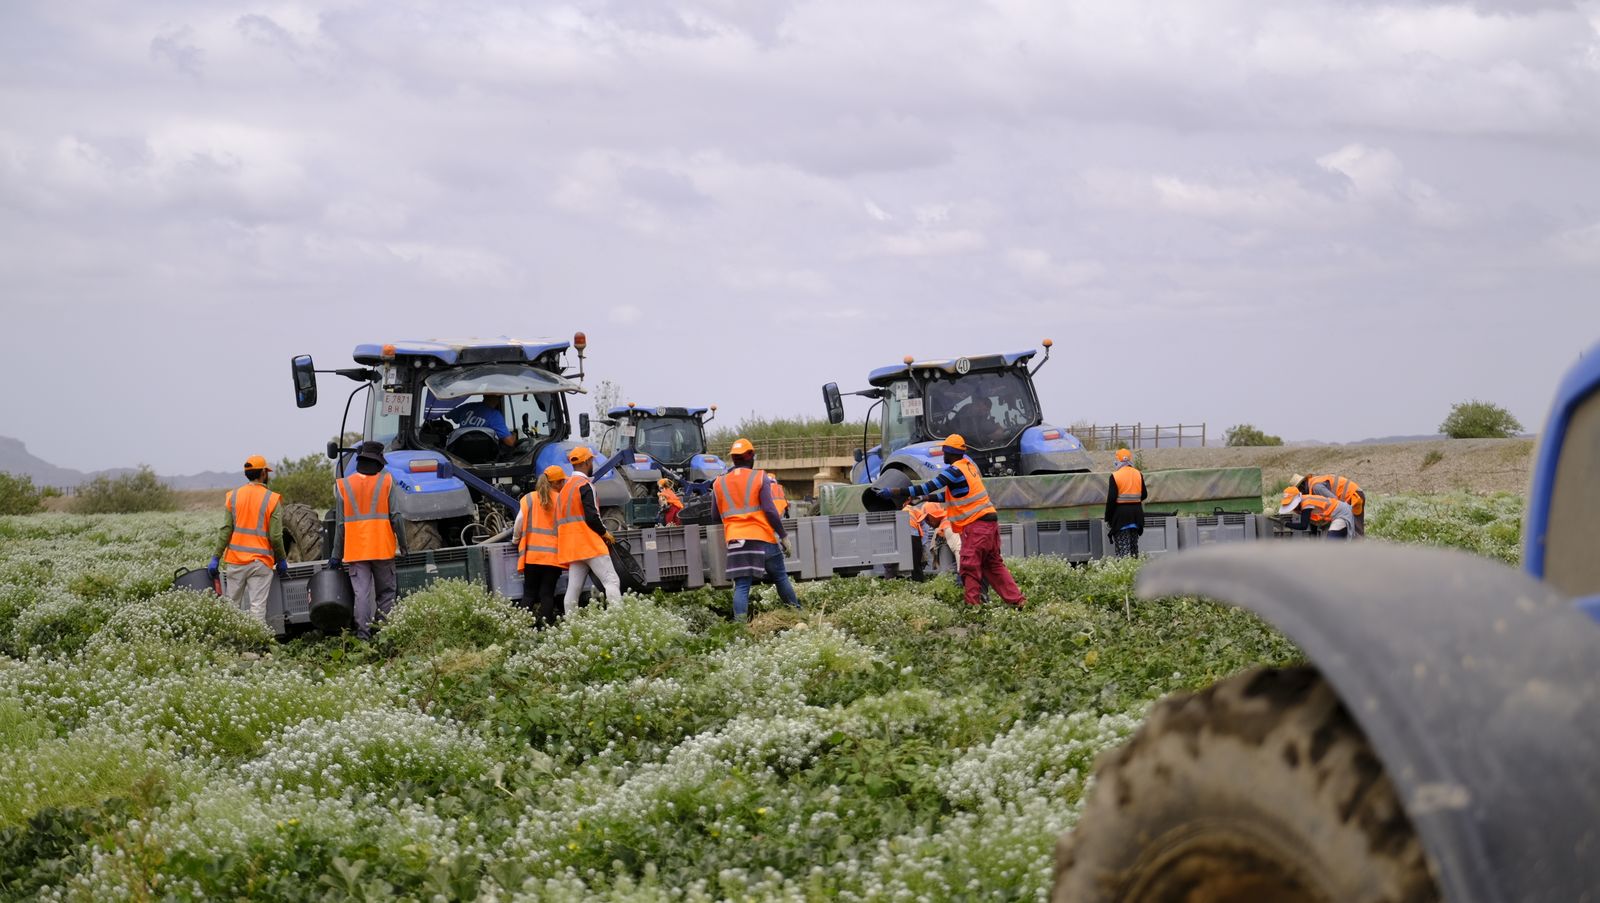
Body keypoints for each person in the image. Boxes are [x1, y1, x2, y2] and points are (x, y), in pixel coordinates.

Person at [883, 433, 1025, 608]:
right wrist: (925, 499)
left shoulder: (955, 470)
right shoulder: (968, 468)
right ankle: (1017, 601)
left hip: (977, 525)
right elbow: (949, 494)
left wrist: (895, 492)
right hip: (990, 524)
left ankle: (973, 605)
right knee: (994, 566)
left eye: (945, 452)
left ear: (950, 452)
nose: (944, 456)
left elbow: (929, 485)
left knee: (969, 566)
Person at [712, 437, 800, 621]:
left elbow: (714, 516)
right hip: (762, 538)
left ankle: (740, 626)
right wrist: (783, 536)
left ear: (734, 458)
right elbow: (769, 510)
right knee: (780, 578)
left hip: (737, 540)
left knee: (742, 586)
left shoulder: (719, 483)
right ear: (750, 456)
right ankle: (798, 614)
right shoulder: (760, 477)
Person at [329, 441, 406, 640]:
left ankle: (363, 637)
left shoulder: (344, 485)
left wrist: (336, 556)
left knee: (361, 595)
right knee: (386, 593)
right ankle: (383, 634)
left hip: (356, 551)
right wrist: (404, 546)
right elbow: (396, 517)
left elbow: (340, 525)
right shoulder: (387, 481)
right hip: (382, 548)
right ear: (379, 462)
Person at [210, 454, 288, 624]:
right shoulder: (272, 499)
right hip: (260, 563)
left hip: (236, 562)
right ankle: (256, 645)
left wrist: (216, 556)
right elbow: (275, 536)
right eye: (266, 472)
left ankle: (231, 644)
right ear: (263, 473)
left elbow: (226, 530)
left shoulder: (233, 496)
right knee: (257, 607)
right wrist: (281, 559)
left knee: (232, 606)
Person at [556, 446, 622, 613]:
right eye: (591, 460)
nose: (592, 463)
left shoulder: (564, 489)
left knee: (573, 589)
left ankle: (571, 623)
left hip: (572, 547)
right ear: (586, 462)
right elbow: (592, 517)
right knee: (611, 581)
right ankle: (620, 619)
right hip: (589, 543)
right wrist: (605, 533)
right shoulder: (585, 485)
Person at [514, 465, 567, 628]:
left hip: (531, 556)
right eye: (563, 481)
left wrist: (516, 539)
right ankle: (545, 627)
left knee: (529, 594)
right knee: (547, 594)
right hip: (552, 557)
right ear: (557, 483)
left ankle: (521, 626)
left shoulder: (528, 499)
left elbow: (519, 523)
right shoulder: (561, 500)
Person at [1291, 473, 1366, 537]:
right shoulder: (1312, 485)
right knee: (1348, 528)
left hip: (1353, 495)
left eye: (1299, 492)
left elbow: (1334, 501)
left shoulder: (1316, 487)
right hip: (1347, 499)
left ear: (1302, 487)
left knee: (1356, 529)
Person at [1105, 448, 1148, 557]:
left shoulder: (1115, 476)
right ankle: (1135, 571)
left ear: (1118, 460)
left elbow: (1111, 500)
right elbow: (1144, 495)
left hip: (1121, 518)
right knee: (1134, 550)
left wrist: (1108, 517)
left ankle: (1125, 572)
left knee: (1124, 552)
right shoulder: (1138, 474)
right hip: (1136, 516)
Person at [1279, 486, 1355, 540]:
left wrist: (1285, 524)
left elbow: (1303, 526)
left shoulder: (1307, 504)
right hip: (1332, 515)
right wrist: (1314, 536)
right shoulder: (1302, 504)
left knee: (1332, 542)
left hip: (1341, 513)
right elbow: (1312, 521)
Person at [448, 394, 516, 447]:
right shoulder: (495, 415)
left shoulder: (467, 406)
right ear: (500, 398)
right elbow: (510, 442)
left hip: (460, 454)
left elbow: (447, 414)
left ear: (484, 395)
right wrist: (513, 435)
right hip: (486, 458)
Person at [906, 499, 948, 580]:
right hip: (918, 538)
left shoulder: (944, 526)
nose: (928, 522)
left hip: (918, 538)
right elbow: (925, 537)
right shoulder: (923, 513)